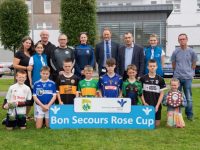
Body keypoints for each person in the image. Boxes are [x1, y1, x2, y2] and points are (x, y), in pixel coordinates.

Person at [171, 33, 198, 121]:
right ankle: (177, 114)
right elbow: (173, 64)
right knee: (176, 96)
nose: (182, 41)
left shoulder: (192, 52)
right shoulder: (175, 52)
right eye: (180, 39)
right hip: (177, 78)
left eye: (183, 39)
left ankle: (189, 115)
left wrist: (190, 73)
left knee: (188, 97)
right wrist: (177, 72)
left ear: (187, 39)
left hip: (187, 78)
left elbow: (194, 64)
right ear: (178, 41)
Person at [13, 36, 35, 118]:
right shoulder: (19, 53)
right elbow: (15, 65)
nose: (28, 44)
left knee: (30, 98)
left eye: (30, 43)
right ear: (23, 43)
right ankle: (17, 114)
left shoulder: (32, 53)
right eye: (27, 42)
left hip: (31, 78)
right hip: (22, 78)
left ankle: (25, 115)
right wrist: (26, 68)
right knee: (21, 96)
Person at [140, 59, 166, 127]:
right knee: (145, 124)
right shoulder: (143, 78)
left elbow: (162, 93)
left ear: (157, 67)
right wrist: (144, 103)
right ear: (147, 67)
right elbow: (141, 93)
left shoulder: (160, 79)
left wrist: (157, 105)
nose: (152, 67)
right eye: (150, 66)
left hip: (156, 105)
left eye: (154, 66)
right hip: (146, 104)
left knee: (156, 125)